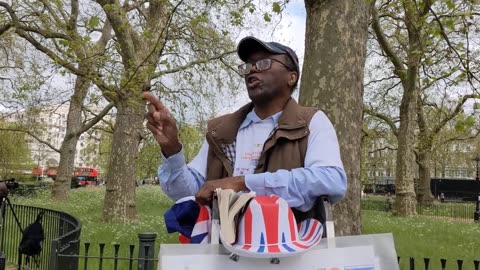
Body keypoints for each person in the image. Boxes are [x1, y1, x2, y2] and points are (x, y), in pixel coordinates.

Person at [145, 36, 347, 221]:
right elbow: (187, 193)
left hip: (290, 253)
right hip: (226, 254)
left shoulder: (311, 122)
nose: (252, 69)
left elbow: (331, 180)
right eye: (248, 65)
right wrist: (171, 149)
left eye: (264, 63)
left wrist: (242, 183)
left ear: (291, 77)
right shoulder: (222, 131)